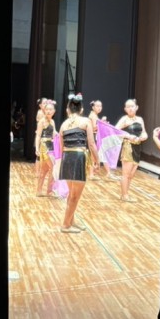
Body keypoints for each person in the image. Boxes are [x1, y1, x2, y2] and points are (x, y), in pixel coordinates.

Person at [58, 92, 99, 232]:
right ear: (81, 109)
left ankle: (71, 221)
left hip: (67, 158)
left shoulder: (63, 124)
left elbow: (61, 146)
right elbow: (91, 144)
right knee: (75, 196)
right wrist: (97, 160)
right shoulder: (86, 121)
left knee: (72, 194)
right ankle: (65, 225)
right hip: (78, 157)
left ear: (68, 110)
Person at [115, 97, 148, 202]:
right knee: (126, 173)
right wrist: (128, 136)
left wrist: (143, 137)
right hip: (128, 147)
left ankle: (126, 194)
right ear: (125, 109)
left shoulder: (140, 119)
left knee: (131, 174)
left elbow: (144, 132)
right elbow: (115, 131)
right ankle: (124, 195)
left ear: (136, 107)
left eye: (132, 106)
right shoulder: (124, 119)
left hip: (137, 147)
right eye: (128, 107)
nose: (130, 108)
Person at [34, 98, 57, 197]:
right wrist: (37, 148)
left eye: (50, 109)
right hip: (44, 147)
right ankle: (49, 191)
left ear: (54, 111)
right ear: (44, 110)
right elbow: (38, 135)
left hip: (51, 146)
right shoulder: (42, 122)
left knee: (44, 170)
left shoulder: (52, 121)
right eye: (47, 109)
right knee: (53, 167)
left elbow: (54, 134)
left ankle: (39, 191)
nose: (48, 111)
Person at [87, 99, 109, 180]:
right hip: (92, 136)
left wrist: (103, 123)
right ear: (93, 107)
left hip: (95, 136)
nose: (99, 108)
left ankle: (93, 173)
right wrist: (102, 122)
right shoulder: (92, 116)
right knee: (92, 155)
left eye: (100, 106)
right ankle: (91, 174)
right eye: (97, 106)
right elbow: (93, 128)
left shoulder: (94, 115)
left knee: (94, 155)